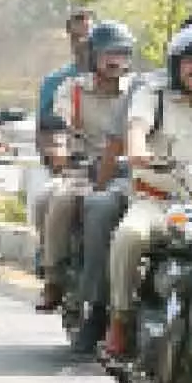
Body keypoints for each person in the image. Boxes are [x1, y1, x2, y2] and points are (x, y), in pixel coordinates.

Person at [104, 24, 192, 357]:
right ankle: (119, 318)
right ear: (176, 64)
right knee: (129, 236)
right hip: (157, 199)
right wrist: (136, 149)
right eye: (191, 61)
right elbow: (137, 126)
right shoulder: (153, 89)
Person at [34, 20, 132, 311]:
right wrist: (59, 151)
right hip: (82, 167)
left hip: (129, 170)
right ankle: (53, 277)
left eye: (122, 54)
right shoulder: (73, 89)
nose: (115, 61)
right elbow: (58, 125)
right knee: (58, 199)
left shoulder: (139, 91)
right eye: (108, 53)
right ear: (93, 56)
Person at [37, 8, 95, 130]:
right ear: (70, 39)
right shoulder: (52, 82)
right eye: (76, 37)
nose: (81, 42)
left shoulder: (111, 80)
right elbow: (42, 125)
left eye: (87, 37)